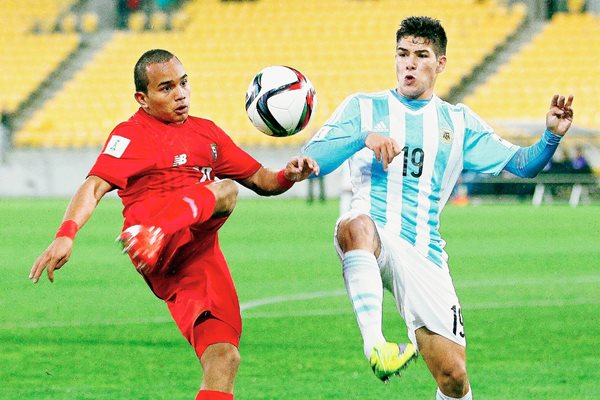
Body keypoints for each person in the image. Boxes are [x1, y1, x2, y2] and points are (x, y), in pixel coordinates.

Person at [303, 16, 573, 400]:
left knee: (454, 376)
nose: (409, 63)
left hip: (425, 253)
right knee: (355, 225)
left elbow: (523, 165)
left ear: (440, 63)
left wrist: (550, 136)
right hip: (373, 233)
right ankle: (376, 345)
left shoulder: (457, 122)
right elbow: (314, 161)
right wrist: (364, 138)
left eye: (421, 55)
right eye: (402, 54)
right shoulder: (363, 107)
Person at [29, 49, 319, 400]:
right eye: (165, 88)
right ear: (143, 98)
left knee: (224, 357)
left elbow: (261, 179)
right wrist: (66, 234)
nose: (180, 94)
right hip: (149, 238)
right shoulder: (130, 134)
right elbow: (94, 185)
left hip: (197, 256)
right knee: (224, 190)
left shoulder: (207, 134)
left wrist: (288, 175)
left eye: (183, 83)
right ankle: (157, 230)